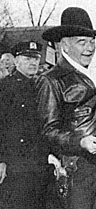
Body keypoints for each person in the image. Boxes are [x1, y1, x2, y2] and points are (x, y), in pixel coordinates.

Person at [37, 7, 96, 209]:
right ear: (65, 46)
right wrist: (81, 142)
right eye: (82, 42)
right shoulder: (51, 80)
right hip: (76, 170)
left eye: (92, 41)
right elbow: (48, 131)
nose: (90, 48)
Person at [0, 41, 50, 208]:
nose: (33, 62)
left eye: (36, 58)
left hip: (40, 162)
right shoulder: (5, 87)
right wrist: (1, 160)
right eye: (28, 58)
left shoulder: (42, 85)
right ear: (16, 60)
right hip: (16, 163)